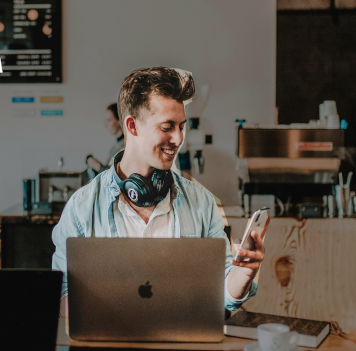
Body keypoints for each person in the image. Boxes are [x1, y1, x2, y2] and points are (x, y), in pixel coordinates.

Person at [52, 67, 264, 317]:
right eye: (167, 127)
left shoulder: (202, 202)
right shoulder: (81, 208)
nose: (178, 139)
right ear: (132, 126)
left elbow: (224, 293)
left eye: (181, 127)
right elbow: (63, 295)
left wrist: (244, 273)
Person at [86, 103, 125, 173]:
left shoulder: (126, 146)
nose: (106, 125)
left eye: (109, 120)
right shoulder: (116, 146)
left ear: (120, 120)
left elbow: (115, 175)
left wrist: (97, 166)